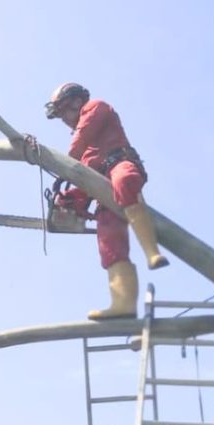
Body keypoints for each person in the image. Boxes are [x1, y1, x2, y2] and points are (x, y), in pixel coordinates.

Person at [45, 82, 169, 320]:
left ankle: (152, 252)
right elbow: (86, 172)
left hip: (120, 164)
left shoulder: (96, 108)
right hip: (102, 186)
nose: (64, 120)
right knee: (109, 238)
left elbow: (80, 141)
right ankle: (123, 303)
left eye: (64, 113)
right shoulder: (87, 149)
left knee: (124, 180)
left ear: (76, 102)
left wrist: (63, 166)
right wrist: (70, 200)